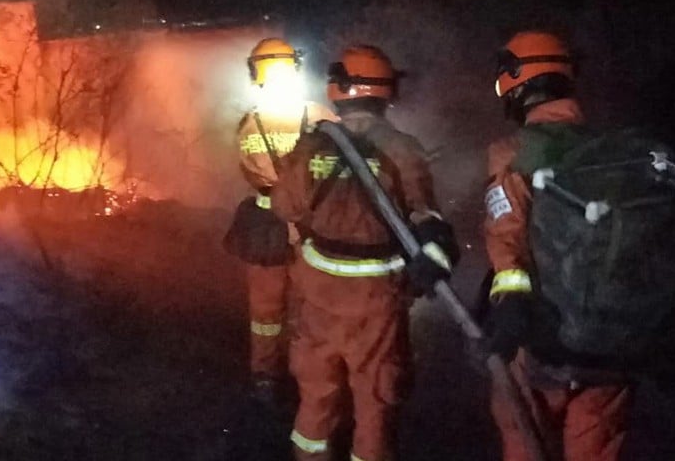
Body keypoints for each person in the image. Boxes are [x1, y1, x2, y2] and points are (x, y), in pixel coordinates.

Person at [271, 44, 457, 461]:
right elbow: (426, 215)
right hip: (377, 300)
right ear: (385, 91)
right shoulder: (403, 148)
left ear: (339, 89)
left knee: (316, 399)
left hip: (317, 295)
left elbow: (285, 207)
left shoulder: (311, 146)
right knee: (375, 403)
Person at [482, 30, 634, 461]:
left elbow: (505, 233)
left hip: (544, 344)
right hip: (612, 344)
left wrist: (509, 303)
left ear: (518, 82)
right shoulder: (613, 152)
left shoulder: (515, 153)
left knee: (525, 441)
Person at [236, 37, 335, 404]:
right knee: (309, 303)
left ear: (256, 71)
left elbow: (249, 172)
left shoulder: (249, 123)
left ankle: (265, 376)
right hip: (314, 226)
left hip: (266, 227)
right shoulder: (318, 116)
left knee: (265, 310)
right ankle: (309, 373)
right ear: (294, 68)